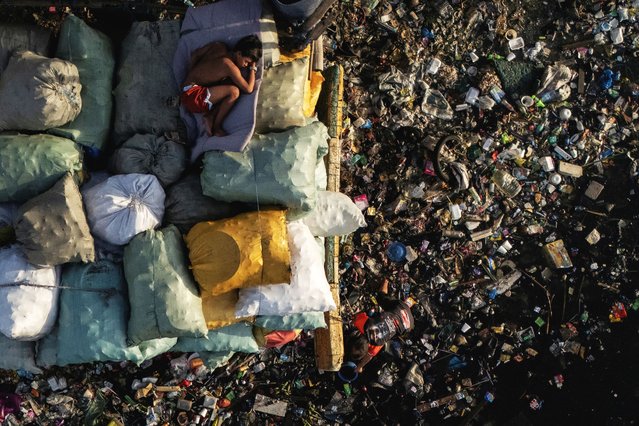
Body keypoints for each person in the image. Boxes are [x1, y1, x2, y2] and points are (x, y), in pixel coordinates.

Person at [181, 35, 262, 137]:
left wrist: (189, 76)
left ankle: (210, 115)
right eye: (246, 62)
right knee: (234, 92)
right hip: (192, 98)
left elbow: (195, 55)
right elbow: (249, 89)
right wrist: (252, 69)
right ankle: (216, 126)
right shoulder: (230, 67)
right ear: (239, 53)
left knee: (230, 82)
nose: (246, 65)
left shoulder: (218, 46)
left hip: (186, 88)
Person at [346, 279, 415, 373]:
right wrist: (359, 366)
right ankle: (387, 282)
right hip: (407, 322)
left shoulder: (379, 342)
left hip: (407, 323)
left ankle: (386, 280)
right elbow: (369, 355)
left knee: (381, 298)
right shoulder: (365, 326)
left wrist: (359, 366)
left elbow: (370, 355)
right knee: (381, 299)